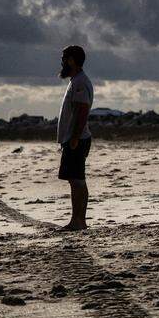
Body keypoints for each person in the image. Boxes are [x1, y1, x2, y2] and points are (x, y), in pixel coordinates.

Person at [57, 45, 94, 231]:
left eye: (64, 58)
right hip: (74, 138)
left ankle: (78, 221)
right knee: (75, 179)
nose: (62, 62)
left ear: (72, 60)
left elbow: (82, 111)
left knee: (77, 180)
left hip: (77, 139)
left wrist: (74, 138)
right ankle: (78, 220)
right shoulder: (75, 80)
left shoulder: (80, 82)